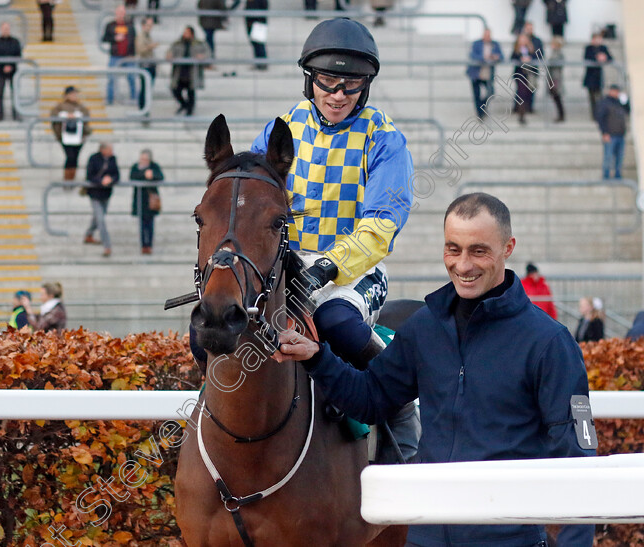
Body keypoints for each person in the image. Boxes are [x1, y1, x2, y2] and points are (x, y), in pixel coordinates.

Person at [276, 193, 596, 547]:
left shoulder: (550, 342)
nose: (463, 264)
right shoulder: (424, 326)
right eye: (453, 249)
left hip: (508, 539)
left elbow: (577, 460)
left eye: (478, 250)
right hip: (425, 535)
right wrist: (317, 357)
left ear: (508, 248)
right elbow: (371, 398)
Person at [250, 18, 417, 459]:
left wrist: (329, 267)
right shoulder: (279, 129)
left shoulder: (385, 139)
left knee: (336, 323)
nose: (339, 94)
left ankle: (399, 403)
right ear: (310, 78)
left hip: (354, 271)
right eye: (328, 81)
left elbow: (382, 223)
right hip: (286, 265)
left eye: (352, 85)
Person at [84, 142, 120, 257]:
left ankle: (88, 234)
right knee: (101, 220)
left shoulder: (113, 159)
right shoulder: (94, 159)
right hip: (95, 194)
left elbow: (117, 175)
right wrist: (101, 181)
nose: (112, 152)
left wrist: (111, 179)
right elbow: (89, 176)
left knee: (98, 217)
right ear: (103, 150)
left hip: (106, 194)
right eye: (110, 149)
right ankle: (107, 246)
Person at [50, 86, 92, 183]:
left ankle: (72, 177)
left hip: (78, 136)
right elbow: (54, 115)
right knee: (70, 157)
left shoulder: (80, 107)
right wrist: (65, 115)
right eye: (72, 94)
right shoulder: (60, 106)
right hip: (65, 137)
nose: (74, 96)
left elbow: (86, 115)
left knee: (75, 157)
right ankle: (67, 178)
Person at [166, 26, 210, 116]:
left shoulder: (199, 43)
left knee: (191, 92)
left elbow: (208, 53)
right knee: (175, 90)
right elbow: (169, 52)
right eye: (184, 32)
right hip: (180, 71)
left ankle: (190, 110)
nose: (185, 34)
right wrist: (169, 56)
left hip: (192, 72)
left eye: (187, 32)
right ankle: (184, 105)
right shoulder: (178, 43)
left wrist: (202, 56)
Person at [130, 149, 164, 254]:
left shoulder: (154, 167)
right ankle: (143, 245)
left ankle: (149, 245)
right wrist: (145, 174)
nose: (143, 161)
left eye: (145, 159)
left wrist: (152, 175)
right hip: (140, 200)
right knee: (142, 224)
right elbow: (132, 177)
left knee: (150, 224)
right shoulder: (135, 167)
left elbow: (160, 176)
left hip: (150, 200)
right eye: (142, 159)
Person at [102, 5, 137, 106]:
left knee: (132, 77)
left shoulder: (130, 25)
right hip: (115, 55)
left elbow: (134, 40)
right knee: (111, 78)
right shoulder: (110, 25)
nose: (121, 15)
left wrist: (133, 54)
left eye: (123, 12)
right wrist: (114, 38)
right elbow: (104, 38)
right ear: (116, 13)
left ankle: (134, 98)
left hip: (128, 56)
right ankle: (110, 99)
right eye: (119, 12)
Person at [466, 28, 503, 118]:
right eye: (486, 35)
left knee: (490, 92)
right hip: (476, 73)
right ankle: (480, 114)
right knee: (476, 94)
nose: (487, 37)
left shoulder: (495, 44)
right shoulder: (477, 44)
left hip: (488, 73)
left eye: (489, 35)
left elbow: (501, 56)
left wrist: (495, 57)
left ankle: (482, 107)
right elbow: (472, 55)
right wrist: (484, 57)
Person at [595, 84, 629, 179]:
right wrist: (604, 133)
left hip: (620, 134)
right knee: (608, 157)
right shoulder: (604, 103)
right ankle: (606, 176)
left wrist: (625, 101)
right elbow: (600, 119)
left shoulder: (619, 103)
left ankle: (618, 175)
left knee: (619, 158)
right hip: (610, 135)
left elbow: (627, 111)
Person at [0, 22, 22, 122]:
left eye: (7, 28)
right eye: (4, 28)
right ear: (1, 29)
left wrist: (10, 66)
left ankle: (15, 113)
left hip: (13, 71)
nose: (6, 30)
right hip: (0, 71)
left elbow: (18, 55)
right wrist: (3, 66)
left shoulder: (15, 41)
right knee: (0, 94)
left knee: (15, 94)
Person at [583, 32, 613, 119]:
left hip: (599, 77)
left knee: (600, 97)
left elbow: (610, 58)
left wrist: (604, 58)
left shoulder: (603, 48)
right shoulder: (588, 48)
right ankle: (594, 115)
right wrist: (597, 58)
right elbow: (587, 58)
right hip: (590, 76)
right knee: (592, 97)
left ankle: (600, 114)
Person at [135, 16, 159, 112]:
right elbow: (140, 50)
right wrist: (151, 46)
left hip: (150, 65)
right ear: (143, 25)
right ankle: (143, 108)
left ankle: (144, 107)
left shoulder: (148, 35)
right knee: (145, 88)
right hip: (145, 65)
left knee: (148, 88)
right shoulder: (141, 36)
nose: (150, 27)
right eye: (148, 25)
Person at [511, 33, 535, 125]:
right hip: (520, 74)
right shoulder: (516, 50)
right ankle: (521, 114)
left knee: (527, 93)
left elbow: (536, 57)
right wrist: (521, 59)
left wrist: (530, 59)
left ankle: (525, 110)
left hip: (529, 74)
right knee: (521, 93)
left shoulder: (531, 49)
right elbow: (512, 58)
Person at [245, 0, 268, 70]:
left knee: (258, 43)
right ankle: (259, 62)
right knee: (256, 43)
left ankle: (261, 63)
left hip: (256, 23)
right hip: (253, 23)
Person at [548, 36, 565, 122]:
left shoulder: (558, 54)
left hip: (555, 78)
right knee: (555, 96)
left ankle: (561, 115)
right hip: (552, 77)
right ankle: (560, 115)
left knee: (557, 96)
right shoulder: (554, 52)